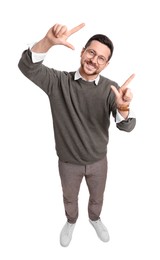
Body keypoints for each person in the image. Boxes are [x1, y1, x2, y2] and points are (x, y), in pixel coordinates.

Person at [18, 22, 136, 247]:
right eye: (91, 52)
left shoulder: (111, 89)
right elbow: (27, 67)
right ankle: (71, 221)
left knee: (97, 199)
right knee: (70, 199)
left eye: (101, 58)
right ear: (82, 52)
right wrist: (47, 43)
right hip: (68, 162)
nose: (94, 60)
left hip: (98, 162)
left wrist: (122, 109)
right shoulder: (58, 82)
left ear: (106, 63)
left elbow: (126, 127)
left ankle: (94, 219)